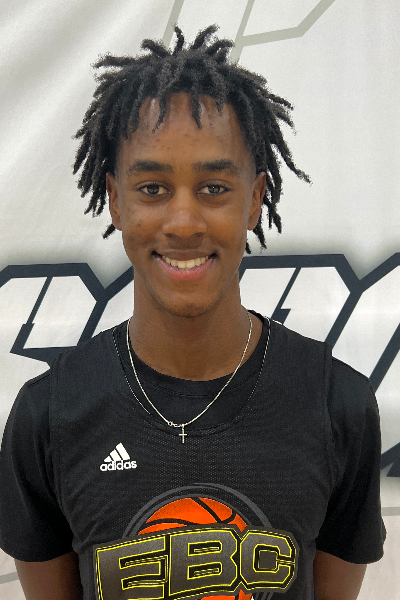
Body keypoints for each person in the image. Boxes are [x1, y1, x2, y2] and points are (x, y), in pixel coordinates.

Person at [0, 24, 385, 600]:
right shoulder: (48, 416)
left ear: (254, 200)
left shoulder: (338, 405)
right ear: (115, 200)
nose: (183, 223)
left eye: (214, 188)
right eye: (153, 189)